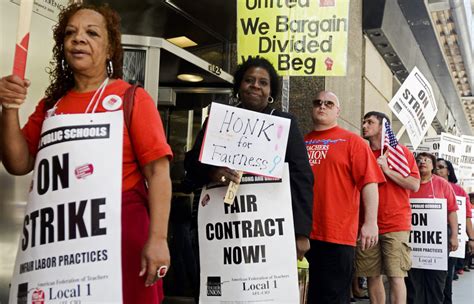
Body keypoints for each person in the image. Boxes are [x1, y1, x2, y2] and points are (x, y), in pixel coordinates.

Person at [0, 4, 172, 303]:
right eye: (70, 33)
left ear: (110, 49)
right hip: (60, 238)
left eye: (91, 33)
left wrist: (157, 239)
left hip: (122, 235)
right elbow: (18, 163)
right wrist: (9, 108)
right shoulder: (51, 105)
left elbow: (158, 173)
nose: (79, 39)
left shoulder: (131, 98)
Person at [184, 57, 313, 259]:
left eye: (263, 82)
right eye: (249, 80)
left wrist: (301, 232)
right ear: (239, 85)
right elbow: (191, 162)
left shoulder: (284, 124)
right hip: (223, 224)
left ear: (271, 91)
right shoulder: (219, 120)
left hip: (268, 226)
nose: (255, 86)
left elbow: (301, 177)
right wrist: (212, 171)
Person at [304, 91, 385, 303]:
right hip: (301, 234)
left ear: (338, 111)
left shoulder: (353, 142)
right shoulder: (300, 142)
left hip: (337, 234)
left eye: (329, 103)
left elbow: (369, 183)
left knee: (333, 297)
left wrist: (370, 223)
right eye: (318, 102)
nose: (322, 106)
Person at [356, 112, 420, 304]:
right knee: (371, 275)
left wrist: (387, 170)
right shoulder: (362, 152)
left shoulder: (400, 153)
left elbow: (414, 184)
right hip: (367, 223)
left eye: (370, 122)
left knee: (396, 276)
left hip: (395, 223)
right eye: (364, 121)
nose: (365, 125)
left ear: (383, 127)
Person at [406, 153, 458, 304]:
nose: (422, 162)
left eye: (426, 160)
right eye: (419, 160)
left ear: (433, 165)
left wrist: (454, 235)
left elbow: (452, 211)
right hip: (413, 243)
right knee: (413, 282)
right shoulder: (409, 183)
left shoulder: (442, 184)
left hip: (437, 244)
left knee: (436, 282)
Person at [435, 158, 474, 304]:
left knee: (447, 276)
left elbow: (467, 217)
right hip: (431, 240)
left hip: (451, 238)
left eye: (441, 167)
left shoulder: (459, 191)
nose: (437, 170)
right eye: (436, 167)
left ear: (448, 171)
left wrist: (471, 239)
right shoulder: (426, 185)